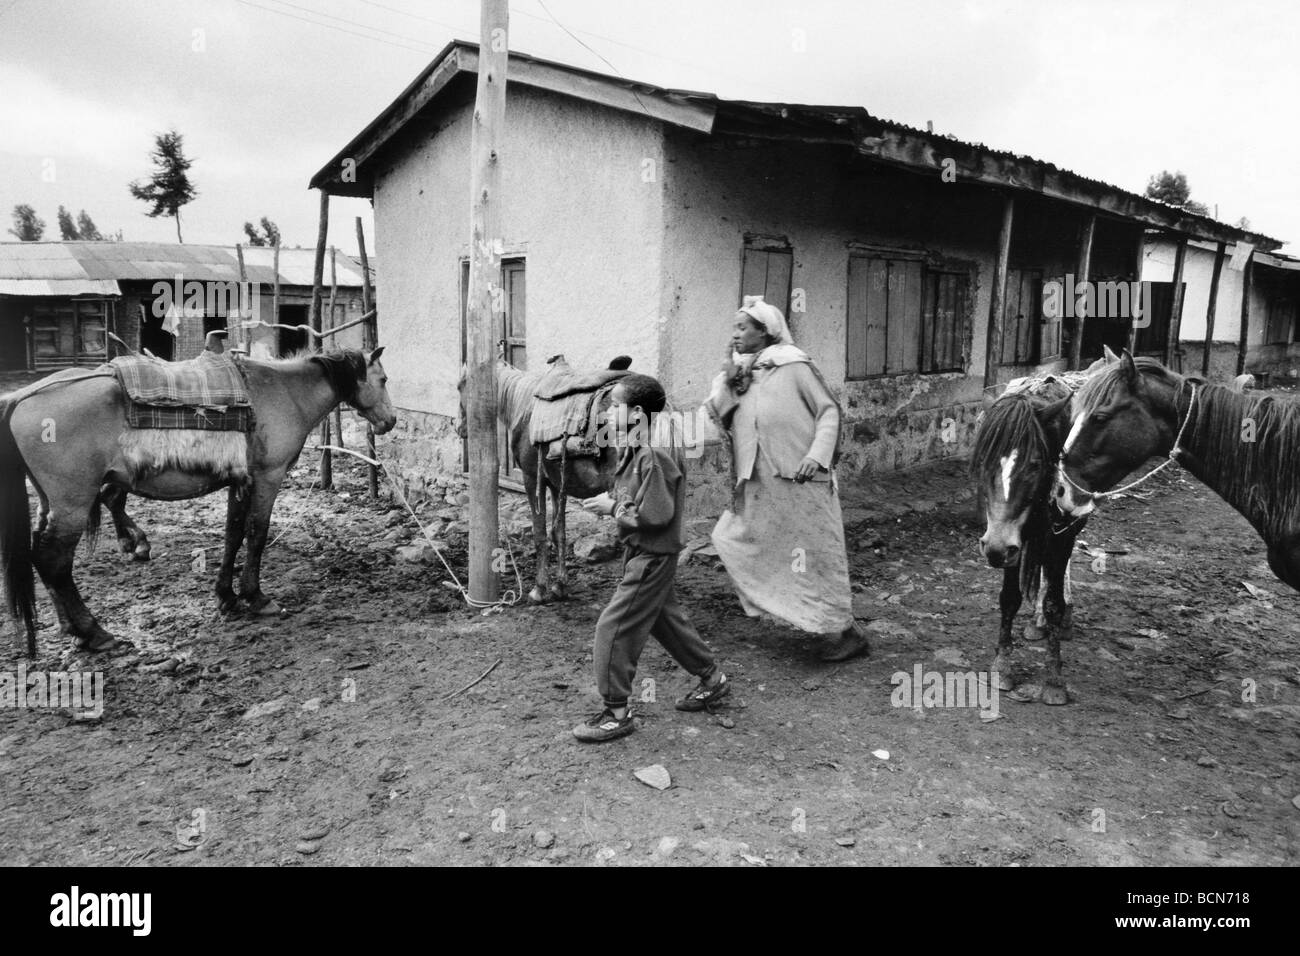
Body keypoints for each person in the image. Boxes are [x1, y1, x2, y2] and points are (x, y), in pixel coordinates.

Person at [706, 296, 870, 662]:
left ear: (766, 332)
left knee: (815, 552)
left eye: (743, 327)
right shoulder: (736, 372)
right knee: (734, 538)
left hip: (799, 476)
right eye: (734, 327)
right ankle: (798, 613)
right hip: (757, 478)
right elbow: (719, 417)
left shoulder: (794, 365)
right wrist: (730, 383)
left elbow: (828, 411)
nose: (735, 335)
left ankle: (841, 631)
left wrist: (816, 456)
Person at [573, 374, 730, 743]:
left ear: (638, 412)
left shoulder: (654, 451)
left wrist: (611, 508)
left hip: (652, 555)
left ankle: (616, 712)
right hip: (644, 551)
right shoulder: (641, 441)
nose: (609, 412)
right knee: (665, 620)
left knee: (613, 628)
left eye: (615, 405)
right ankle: (712, 678)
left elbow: (657, 513)